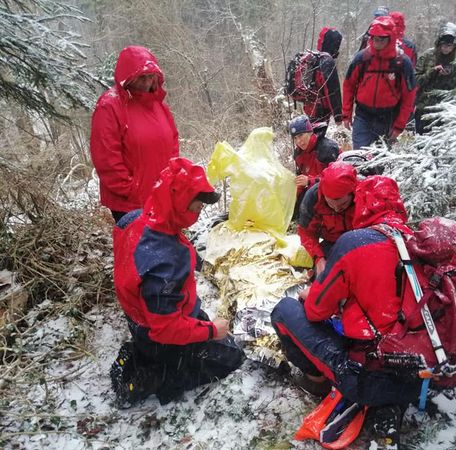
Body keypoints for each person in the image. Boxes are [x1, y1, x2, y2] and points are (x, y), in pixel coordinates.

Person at [271, 176, 419, 407]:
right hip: (419, 371)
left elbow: (315, 311)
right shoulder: (415, 241)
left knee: (284, 311)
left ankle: (317, 382)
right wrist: (320, 258)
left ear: (359, 201)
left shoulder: (355, 243)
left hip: (370, 377)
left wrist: (312, 295)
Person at [110, 157, 245, 406]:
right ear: (177, 201)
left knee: (212, 335)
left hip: (144, 315)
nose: (200, 211)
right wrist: (212, 331)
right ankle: (153, 375)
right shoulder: (165, 263)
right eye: (196, 206)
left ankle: (148, 354)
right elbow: (166, 328)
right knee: (232, 357)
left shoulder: (135, 219)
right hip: (159, 334)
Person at [90, 46, 180, 223]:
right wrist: (132, 190)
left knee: (164, 247)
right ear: (128, 77)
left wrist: (171, 179)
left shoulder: (158, 104)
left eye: (150, 76)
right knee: (137, 249)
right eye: (141, 77)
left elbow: (173, 141)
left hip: (160, 195)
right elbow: (106, 157)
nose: (147, 82)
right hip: (130, 204)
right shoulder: (110, 106)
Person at [343, 16, 416, 149]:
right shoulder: (362, 58)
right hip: (363, 115)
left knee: (379, 161)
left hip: (387, 118)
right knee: (360, 156)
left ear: (390, 39)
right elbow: (349, 85)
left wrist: (399, 125)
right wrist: (346, 114)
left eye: (381, 39)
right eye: (374, 38)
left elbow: (409, 97)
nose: (376, 42)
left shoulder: (402, 63)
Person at [298, 163, 360, 277]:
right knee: (324, 277)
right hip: (331, 244)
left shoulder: (364, 194)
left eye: (343, 204)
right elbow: (306, 233)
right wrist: (319, 259)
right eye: (330, 204)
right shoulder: (313, 198)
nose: (336, 209)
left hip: (361, 242)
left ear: (353, 194)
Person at [414, 22, 456, 134]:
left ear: (454, 46)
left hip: (444, 110)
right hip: (424, 107)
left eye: (449, 46)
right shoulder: (427, 56)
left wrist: (448, 76)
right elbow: (416, 80)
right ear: (439, 43)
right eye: (443, 45)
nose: (446, 48)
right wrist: (432, 72)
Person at [289, 115, 340, 217]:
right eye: (295, 138)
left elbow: (336, 180)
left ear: (310, 132)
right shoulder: (299, 154)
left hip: (330, 192)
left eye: (301, 135)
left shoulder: (327, 148)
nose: (299, 141)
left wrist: (309, 181)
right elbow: (301, 178)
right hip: (312, 188)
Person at [302, 27, 344, 126]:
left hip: (310, 105)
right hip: (320, 110)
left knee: (310, 134)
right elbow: (332, 90)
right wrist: (338, 115)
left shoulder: (315, 57)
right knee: (317, 138)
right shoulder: (327, 61)